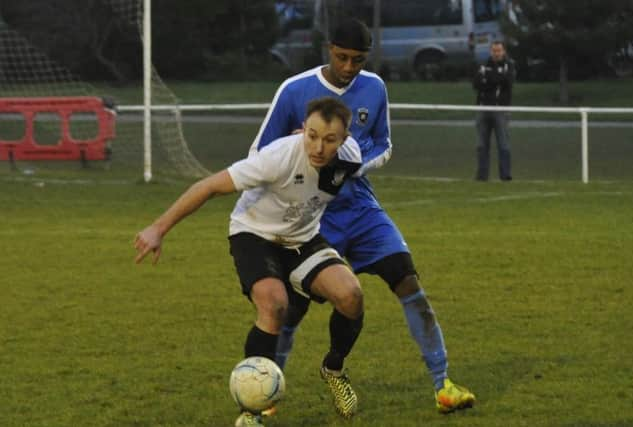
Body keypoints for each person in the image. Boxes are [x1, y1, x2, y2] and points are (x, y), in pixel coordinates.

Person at [251, 17, 475, 415]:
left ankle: (443, 385)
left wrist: (355, 165)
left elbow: (385, 145)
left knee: (408, 282)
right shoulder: (294, 90)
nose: (350, 67)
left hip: (362, 210)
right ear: (328, 49)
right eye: (342, 57)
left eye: (358, 59)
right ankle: (265, 393)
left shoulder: (375, 87)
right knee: (293, 307)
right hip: (313, 217)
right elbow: (259, 155)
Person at [134, 97, 364, 427]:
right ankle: (253, 410)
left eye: (329, 139)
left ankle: (334, 369)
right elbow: (209, 186)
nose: (318, 146)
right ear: (302, 129)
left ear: (343, 139)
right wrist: (158, 228)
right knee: (274, 304)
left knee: (351, 296)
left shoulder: (350, 157)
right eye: (311, 135)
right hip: (253, 233)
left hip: (301, 238)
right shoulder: (277, 158)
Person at [473, 40, 515, 181]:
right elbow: (477, 84)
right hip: (483, 108)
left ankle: (505, 175)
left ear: (503, 51)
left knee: (503, 144)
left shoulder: (509, 65)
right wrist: (494, 78)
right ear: (490, 51)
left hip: (500, 110)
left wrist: (489, 77)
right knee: (481, 144)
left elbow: (506, 82)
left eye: (499, 51)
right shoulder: (484, 65)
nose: (496, 53)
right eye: (494, 51)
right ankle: (482, 175)